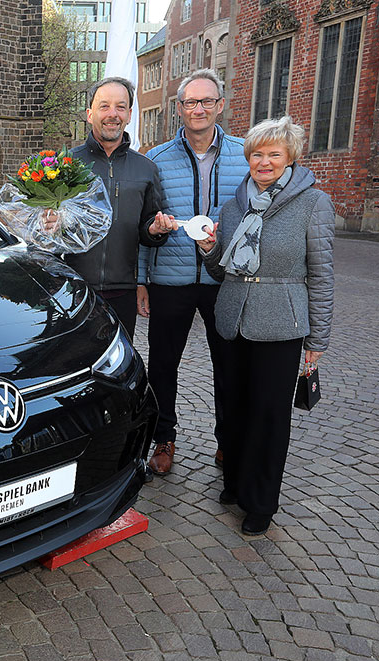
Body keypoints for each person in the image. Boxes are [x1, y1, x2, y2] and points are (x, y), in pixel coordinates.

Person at [196, 116, 334, 536]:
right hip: (233, 318)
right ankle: (234, 482)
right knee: (233, 406)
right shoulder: (234, 204)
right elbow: (223, 270)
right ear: (248, 158)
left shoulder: (313, 202)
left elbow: (322, 274)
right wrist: (208, 249)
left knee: (269, 415)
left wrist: (318, 338)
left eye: (274, 154)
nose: (265, 161)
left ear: (291, 157)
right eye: (257, 154)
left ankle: (260, 501)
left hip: (282, 323)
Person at [139, 69, 247, 476]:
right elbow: (141, 225)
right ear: (179, 108)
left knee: (229, 363)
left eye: (206, 101)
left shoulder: (244, 155)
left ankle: (228, 440)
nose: (198, 109)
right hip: (170, 278)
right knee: (163, 365)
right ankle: (163, 438)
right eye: (190, 102)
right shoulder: (157, 160)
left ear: (220, 105)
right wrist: (139, 279)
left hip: (223, 279)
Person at [63, 76, 174, 338]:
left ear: (130, 115)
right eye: (104, 106)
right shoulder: (65, 163)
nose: (112, 114)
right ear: (90, 114)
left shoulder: (146, 168)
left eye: (120, 107)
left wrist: (156, 229)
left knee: (118, 363)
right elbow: (50, 233)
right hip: (74, 289)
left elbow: (148, 226)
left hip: (123, 292)